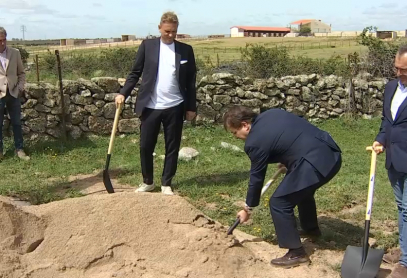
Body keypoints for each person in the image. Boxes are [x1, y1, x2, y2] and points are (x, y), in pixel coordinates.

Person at [223, 106, 342, 268]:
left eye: (234, 132)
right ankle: (310, 229)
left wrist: (248, 208)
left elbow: (256, 178)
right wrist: (289, 158)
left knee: (279, 202)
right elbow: (290, 133)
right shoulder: (272, 113)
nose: (235, 137)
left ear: (245, 125)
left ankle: (296, 253)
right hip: (330, 153)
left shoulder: (254, 142)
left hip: (314, 161)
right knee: (301, 191)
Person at [115, 11, 197, 195]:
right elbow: (135, 73)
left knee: (172, 146)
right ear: (160, 28)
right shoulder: (147, 46)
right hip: (150, 106)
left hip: (175, 105)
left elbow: (191, 81)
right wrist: (123, 94)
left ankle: (166, 183)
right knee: (145, 145)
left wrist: (191, 107)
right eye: (167, 31)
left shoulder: (186, 50)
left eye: (174, 32)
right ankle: (148, 182)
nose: (170, 35)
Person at [372, 43, 407, 278]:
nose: (399, 74)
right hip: (394, 159)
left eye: (404, 70)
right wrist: (381, 139)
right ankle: (405, 249)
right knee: (402, 207)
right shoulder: (391, 87)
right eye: (396, 68)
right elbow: (387, 120)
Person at [0, 27, 29, 161]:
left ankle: (19, 149)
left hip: (13, 93)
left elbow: (21, 73)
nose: (2, 43)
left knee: (17, 123)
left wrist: (19, 89)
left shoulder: (15, 53)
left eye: (4, 40)